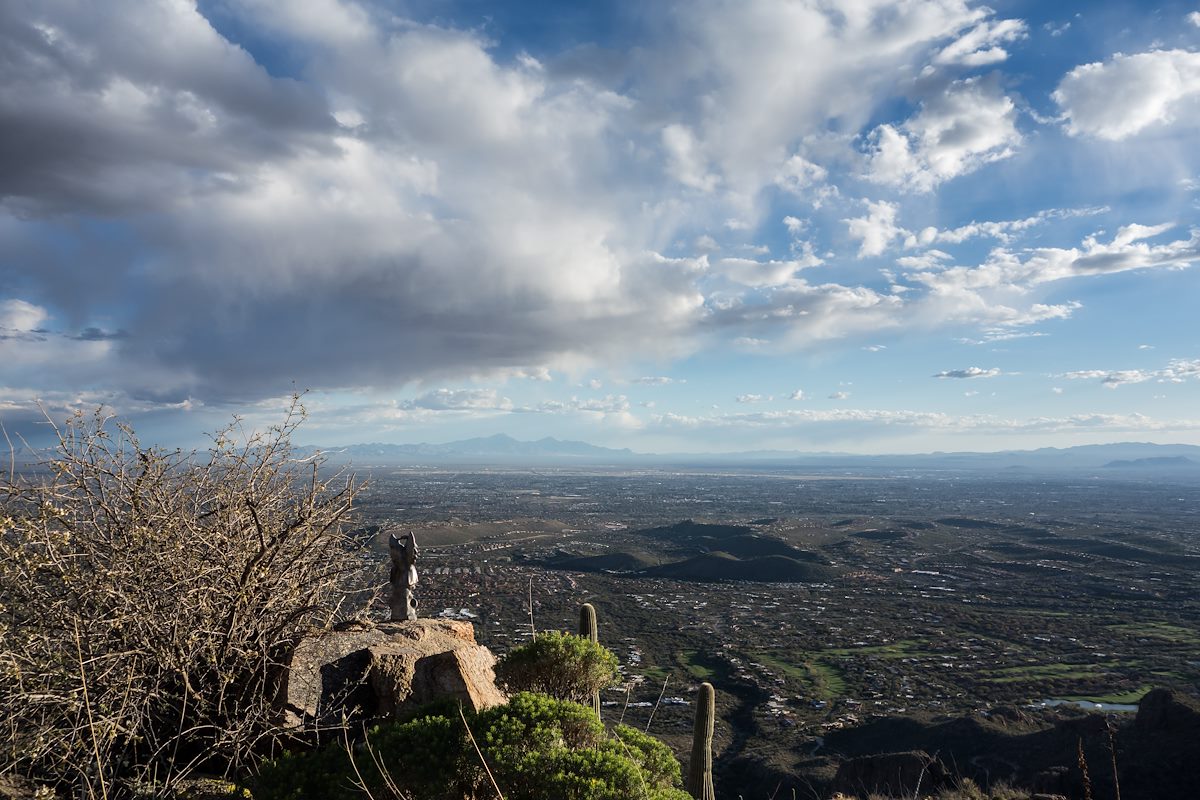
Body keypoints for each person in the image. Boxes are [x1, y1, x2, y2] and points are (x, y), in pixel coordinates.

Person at [388, 531, 419, 621]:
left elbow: (411, 549)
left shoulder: (407, 567)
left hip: (405, 578)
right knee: (400, 595)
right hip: (401, 578)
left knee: (404, 594)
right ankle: (400, 614)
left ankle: (405, 614)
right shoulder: (396, 569)